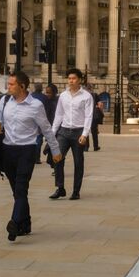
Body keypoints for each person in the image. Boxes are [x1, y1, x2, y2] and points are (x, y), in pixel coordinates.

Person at [0, 70, 61, 241]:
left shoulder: (35, 106)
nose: (8, 87)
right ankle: (26, 223)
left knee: (21, 187)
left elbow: (46, 129)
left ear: (22, 86)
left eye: (11, 84)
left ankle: (14, 223)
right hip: (8, 150)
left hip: (27, 150)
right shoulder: (5, 100)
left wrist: (55, 151)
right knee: (17, 192)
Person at [50, 68, 94, 200]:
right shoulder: (63, 96)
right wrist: (52, 132)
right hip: (63, 131)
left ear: (79, 80)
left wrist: (85, 134)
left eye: (74, 78)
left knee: (78, 162)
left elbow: (88, 116)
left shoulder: (86, 96)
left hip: (78, 132)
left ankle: (76, 191)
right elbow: (59, 115)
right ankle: (60, 187)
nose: (71, 81)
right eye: (69, 78)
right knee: (57, 158)